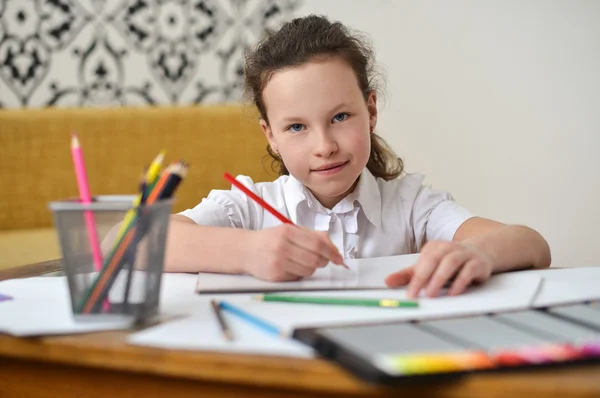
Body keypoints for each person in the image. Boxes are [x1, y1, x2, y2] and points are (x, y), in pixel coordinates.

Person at [165, 15, 551, 298]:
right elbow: (129, 242)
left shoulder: (412, 206)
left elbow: (531, 245)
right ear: (271, 137)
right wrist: (249, 251)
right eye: (296, 127)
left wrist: (476, 254)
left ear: (371, 111)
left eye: (340, 117)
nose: (325, 145)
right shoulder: (250, 207)